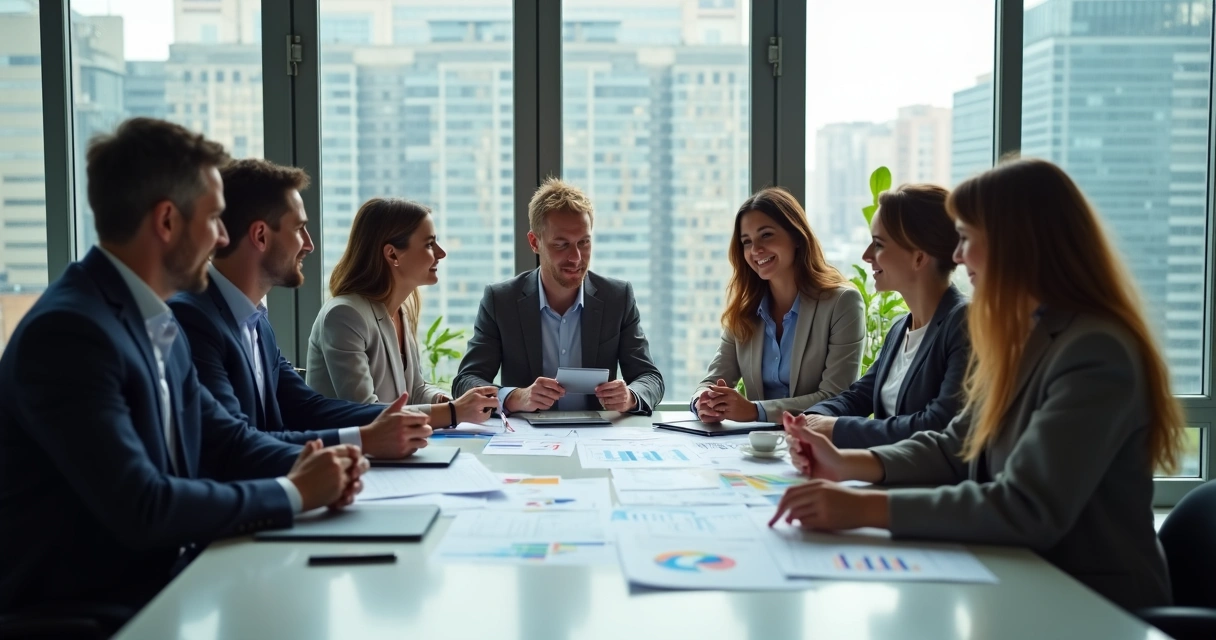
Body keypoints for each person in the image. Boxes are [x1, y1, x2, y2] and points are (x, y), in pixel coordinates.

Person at [0, 119, 422, 622]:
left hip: (168, 584)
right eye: (216, 218)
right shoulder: (71, 334)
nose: (225, 236)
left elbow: (226, 441)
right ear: (166, 222)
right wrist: (294, 490)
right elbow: (143, 506)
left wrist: (332, 463)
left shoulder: (151, 318)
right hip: (96, 614)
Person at [770, 158, 1185, 612]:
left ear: (1016, 244)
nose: (958, 255)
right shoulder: (1021, 336)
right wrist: (847, 464)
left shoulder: (1094, 350)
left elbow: (1027, 506)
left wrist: (862, 510)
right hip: (1018, 578)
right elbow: (955, 445)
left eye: (967, 238)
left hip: (1090, 601)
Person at [170, 159, 431, 457]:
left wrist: (392, 420)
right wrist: (364, 440)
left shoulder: (255, 320)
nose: (308, 245)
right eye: (299, 229)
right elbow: (231, 443)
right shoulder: (193, 318)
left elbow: (305, 407)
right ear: (260, 236)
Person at [453, 178, 665, 414]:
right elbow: (466, 381)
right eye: (561, 244)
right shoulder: (501, 300)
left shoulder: (617, 297)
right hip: (527, 441)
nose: (576, 257)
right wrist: (514, 397)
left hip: (598, 440)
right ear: (535, 242)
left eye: (584, 243)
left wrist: (630, 397)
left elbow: (650, 378)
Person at [789, 184, 969, 450]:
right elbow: (860, 395)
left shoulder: (963, 323)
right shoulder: (900, 328)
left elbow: (938, 424)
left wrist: (838, 429)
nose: (866, 256)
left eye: (879, 244)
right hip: (885, 475)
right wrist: (814, 418)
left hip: (925, 485)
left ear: (919, 258)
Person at [306, 198, 498, 427]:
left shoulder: (401, 312)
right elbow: (365, 412)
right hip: (349, 457)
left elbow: (415, 390)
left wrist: (441, 399)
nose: (441, 253)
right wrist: (452, 411)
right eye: (429, 244)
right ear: (393, 255)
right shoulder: (344, 316)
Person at [690, 187, 864, 422]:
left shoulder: (842, 303)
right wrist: (703, 401)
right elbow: (712, 380)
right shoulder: (744, 309)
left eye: (766, 235)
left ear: (796, 237)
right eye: (746, 241)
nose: (756, 250)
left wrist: (755, 411)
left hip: (816, 444)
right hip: (756, 447)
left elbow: (836, 397)